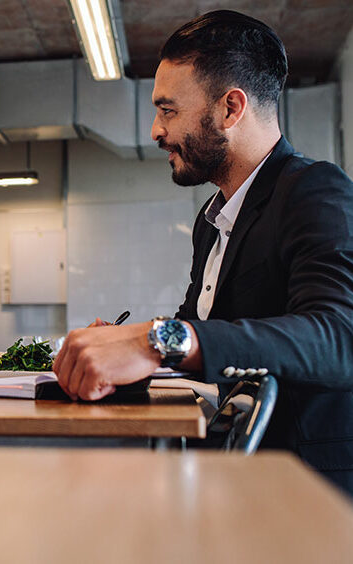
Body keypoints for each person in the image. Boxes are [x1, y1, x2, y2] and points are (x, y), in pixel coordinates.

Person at [54, 10, 353, 494]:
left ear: (230, 109)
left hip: (307, 493)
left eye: (168, 111)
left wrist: (156, 340)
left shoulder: (314, 189)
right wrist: (126, 342)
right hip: (236, 480)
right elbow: (200, 325)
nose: (155, 130)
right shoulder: (213, 218)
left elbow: (340, 338)